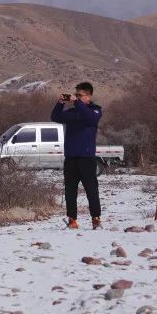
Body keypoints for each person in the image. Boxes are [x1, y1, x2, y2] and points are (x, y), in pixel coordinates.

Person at [50, 82, 103, 229]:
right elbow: (55, 117)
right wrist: (60, 103)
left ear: (89, 96)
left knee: (91, 189)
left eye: (80, 95)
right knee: (70, 190)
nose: (77, 98)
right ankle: (72, 220)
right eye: (76, 95)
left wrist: (76, 102)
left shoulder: (95, 111)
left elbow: (90, 119)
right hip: (71, 157)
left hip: (87, 158)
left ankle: (96, 219)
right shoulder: (72, 113)